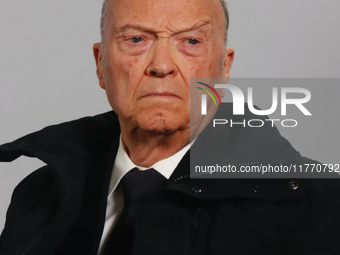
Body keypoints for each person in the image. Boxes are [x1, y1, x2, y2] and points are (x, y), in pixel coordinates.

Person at [0, 0, 339, 254]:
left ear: (223, 69)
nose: (161, 66)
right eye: (136, 39)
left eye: (190, 42)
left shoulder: (316, 206)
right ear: (100, 64)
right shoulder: (40, 193)